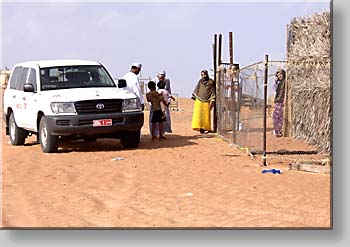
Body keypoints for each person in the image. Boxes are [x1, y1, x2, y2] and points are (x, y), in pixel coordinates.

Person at [191, 69, 216, 134]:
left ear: (207, 74)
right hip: (199, 100)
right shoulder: (200, 81)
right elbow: (197, 89)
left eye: (204, 74)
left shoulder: (211, 82)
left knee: (206, 116)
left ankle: (207, 128)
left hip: (207, 101)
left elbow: (212, 92)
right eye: (202, 75)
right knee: (199, 115)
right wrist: (194, 96)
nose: (203, 76)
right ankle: (201, 128)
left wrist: (212, 101)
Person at [272, 69, 286, 137]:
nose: (279, 76)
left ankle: (278, 131)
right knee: (275, 116)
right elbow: (275, 90)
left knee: (279, 116)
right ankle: (277, 130)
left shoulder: (285, 82)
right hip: (278, 101)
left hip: (281, 101)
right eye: (278, 75)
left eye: (280, 74)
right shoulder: (278, 82)